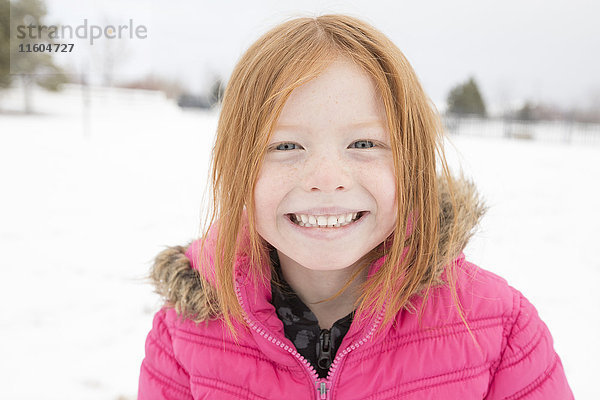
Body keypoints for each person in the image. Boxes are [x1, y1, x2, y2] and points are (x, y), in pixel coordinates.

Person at [138, 14, 574, 399]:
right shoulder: (184, 335)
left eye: (363, 143)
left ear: (413, 165)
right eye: (286, 145)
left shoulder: (499, 330)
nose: (327, 179)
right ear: (238, 169)